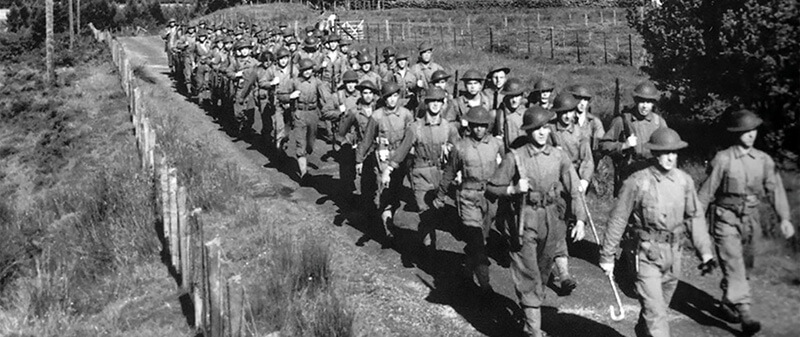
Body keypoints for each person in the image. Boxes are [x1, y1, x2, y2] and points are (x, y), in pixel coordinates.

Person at [600, 127, 717, 337]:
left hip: (674, 256)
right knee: (658, 318)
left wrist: (705, 250)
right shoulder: (638, 182)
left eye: (673, 152)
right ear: (654, 153)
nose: (670, 157)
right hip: (647, 255)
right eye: (664, 152)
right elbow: (618, 218)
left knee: (658, 309)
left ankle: (643, 332)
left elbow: (695, 217)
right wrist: (607, 255)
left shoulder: (684, 181)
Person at [487, 106, 587, 337]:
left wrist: (580, 219)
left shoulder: (559, 156)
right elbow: (492, 188)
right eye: (536, 128)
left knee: (542, 271)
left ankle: (528, 315)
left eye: (545, 127)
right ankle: (533, 330)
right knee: (528, 273)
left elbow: (574, 190)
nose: (542, 132)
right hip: (525, 220)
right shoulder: (516, 157)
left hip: (553, 219)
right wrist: (512, 189)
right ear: (528, 130)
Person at [697, 109, 795, 336]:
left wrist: (784, 218)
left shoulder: (763, 160)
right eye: (745, 131)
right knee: (734, 263)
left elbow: (775, 190)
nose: (751, 135)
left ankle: (728, 300)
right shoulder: (723, 159)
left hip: (751, 220)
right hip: (725, 219)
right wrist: (694, 221)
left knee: (746, 265)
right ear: (736, 133)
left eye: (753, 130)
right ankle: (745, 312)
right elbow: (706, 192)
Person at [436, 106, 504, 296]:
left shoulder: (496, 145)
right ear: (470, 126)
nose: (479, 130)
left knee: (481, 239)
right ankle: (485, 286)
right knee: (477, 241)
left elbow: (507, 169)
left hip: (489, 197)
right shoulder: (460, 147)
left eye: (483, 126)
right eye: (475, 126)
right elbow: (449, 172)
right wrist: (441, 195)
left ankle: (466, 270)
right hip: (468, 196)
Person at [385, 87, 460, 252]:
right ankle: (428, 250)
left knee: (435, 212)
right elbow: (402, 150)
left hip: (440, 173)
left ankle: (426, 238)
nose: (435, 105)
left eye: (438, 102)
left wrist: (460, 170)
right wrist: (389, 169)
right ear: (426, 104)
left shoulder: (449, 128)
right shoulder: (415, 127)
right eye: (432, 101)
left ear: (443, 104)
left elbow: (460, 151)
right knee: (425, 211)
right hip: (420, 173)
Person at [547, 92, 595, 294]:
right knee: (557, 229)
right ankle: (564, 275)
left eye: (570, 112)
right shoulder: (550, 132)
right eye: (563, 112)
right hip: (556, 185)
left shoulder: (580, 133)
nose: (567, 116)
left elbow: (588, 160)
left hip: (574, 182)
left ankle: (549, 263)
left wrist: (584, 179)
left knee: (565, 224)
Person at [356, 82, 415, 244]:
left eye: (395, 96)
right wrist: (359, 160)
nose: (392, 100)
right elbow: (367, 139)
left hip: (400, 158)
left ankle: (387, 214)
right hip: (382, 157)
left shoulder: (405, 114)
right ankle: (387, 229)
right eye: (388, 97)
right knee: (384, 190)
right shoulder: (377, 116)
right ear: (384, 98)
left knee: (395, 192)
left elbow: (411, 136)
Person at [600, 81, 667, 196]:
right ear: (636, 101)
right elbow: (604, 145)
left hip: (653, 173)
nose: (645, 106)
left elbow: (669, 148)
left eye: (648, 102)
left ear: (653, 103)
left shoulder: (659, 122)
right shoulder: (623, 120)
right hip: (629, 174)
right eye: (641, 101)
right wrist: (623, 146)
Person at [278, 58, 331, 183]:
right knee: (300, 144)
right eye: (305, 70)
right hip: (299, 113)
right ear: (301, 70)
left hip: (313, 113)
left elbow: (326, 96)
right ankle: (304, 173)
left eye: (309, 69)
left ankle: (306, 151)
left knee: (310, 144)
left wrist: (330, 106)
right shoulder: (294, 82)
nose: (307, 72)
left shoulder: (317, 82)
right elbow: (280, 95)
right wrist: (290, 96)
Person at [338, 80, 378, 205]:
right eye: (365, 93)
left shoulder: (379, 110)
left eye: (370, 93)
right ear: (361, 94)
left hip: (378, 149)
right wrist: (349, 144)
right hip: (363, 149)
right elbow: (342, 131)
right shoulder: (354, 112)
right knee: (366, 181)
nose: (368, 96)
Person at [225, 40, 260, 138]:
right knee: (238, 112)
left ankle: (247, 130)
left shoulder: (254, 62)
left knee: (250, 112)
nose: (244, 51)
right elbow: (228, 72)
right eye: (242, 49)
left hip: (251, 90)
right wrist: (236, 75)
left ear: (249, 50)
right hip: (240, 89)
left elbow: (260, 72)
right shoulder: (236, 61)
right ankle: (240, 124)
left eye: (246, 49)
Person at [566, 84, 605, 152]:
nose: (582, 103)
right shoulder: (566, 119)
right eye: (579, 99)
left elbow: (600, 144)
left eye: (585, 100)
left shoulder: (594, 122)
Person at [493, 78, 527, 151]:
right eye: (511, 96)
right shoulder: (500, 113)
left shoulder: (526, 112)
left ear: (522, 96)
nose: (514, 100)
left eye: (517, 96)